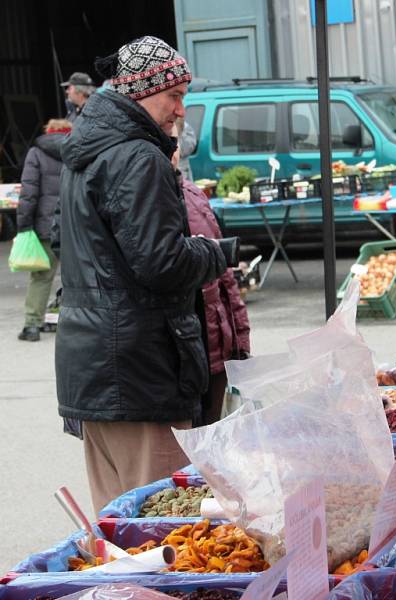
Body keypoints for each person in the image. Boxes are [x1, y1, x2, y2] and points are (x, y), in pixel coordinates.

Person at [53, 36, 239, 514]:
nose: (180, 110)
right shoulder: (137, 156)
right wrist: (212, 253)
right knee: (161, 525)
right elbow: (163, 264)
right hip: (140, 374)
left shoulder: (86, 152)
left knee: (116, 528)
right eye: (173, 96)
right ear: (140, 91)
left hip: (95, 372)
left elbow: (67, 242)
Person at [172, 121, 251, 425]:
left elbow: (226, 278)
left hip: (218, 345)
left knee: (218, 438)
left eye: (175, 143)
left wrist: (240, 338)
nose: (171, 152)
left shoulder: (193, 194)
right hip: (182, 355)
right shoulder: (149, 200)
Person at [16, 118, 72, 342]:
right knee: (76, 278)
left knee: (41, 277)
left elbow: (29, 192)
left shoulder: (36, 153)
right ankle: (69, 322)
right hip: (74, 225)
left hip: (45, 224)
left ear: (48, 132)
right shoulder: (77, 150)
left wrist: (23, 225)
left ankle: (32, 325)